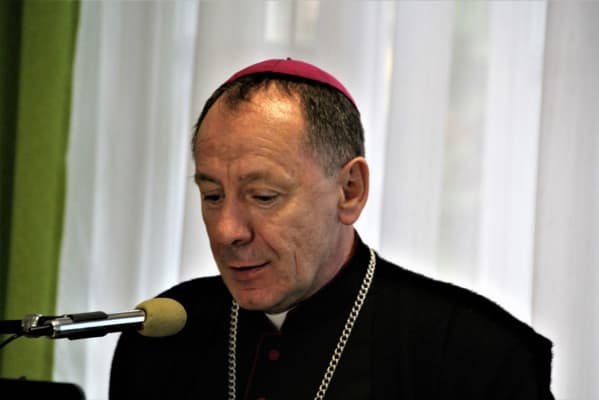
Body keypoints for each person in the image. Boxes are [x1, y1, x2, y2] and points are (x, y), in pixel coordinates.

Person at [109, 58, 554, 399]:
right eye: (212, 196)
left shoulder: (476, 353)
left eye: (263, 196)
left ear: (349, 191)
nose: (228, 232)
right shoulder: (163, 334)